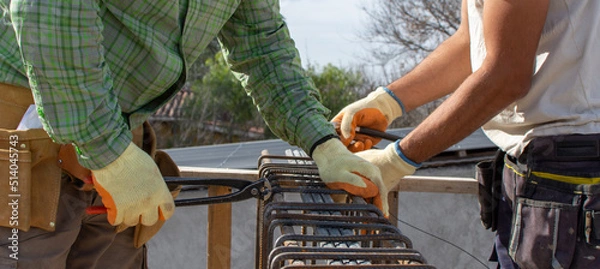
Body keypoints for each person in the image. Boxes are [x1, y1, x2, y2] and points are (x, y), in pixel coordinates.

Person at [0, 1, 384, 268]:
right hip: (23, 144)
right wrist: (108, 151)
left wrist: (323, 143)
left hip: (121, 148)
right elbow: (45, 12)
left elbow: (264, 50)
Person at [333, 0, 600, 268]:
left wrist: (397, 159)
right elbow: (472, 42)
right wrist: (388, 102)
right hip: (534, 164)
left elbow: (506, 75)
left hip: (572, 167)